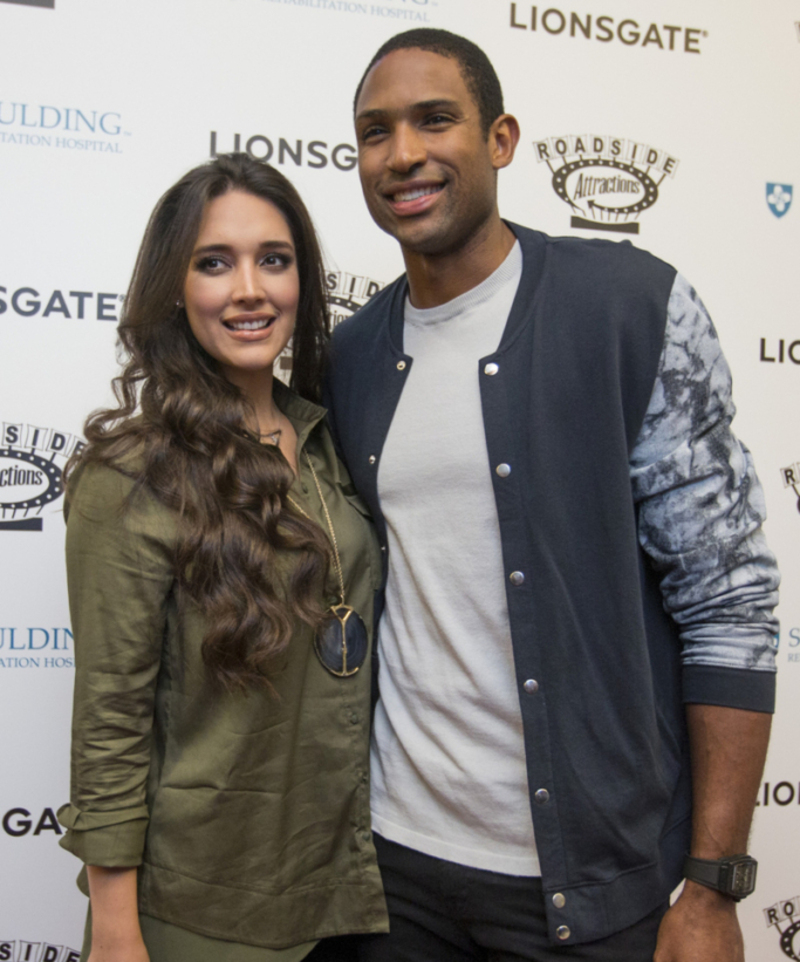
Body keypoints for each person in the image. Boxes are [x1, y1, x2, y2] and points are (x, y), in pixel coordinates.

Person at [324, 28, 780, 962]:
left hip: (593, 888)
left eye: (435, 119)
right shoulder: (352, 354)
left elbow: (730, 601)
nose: (403, 153)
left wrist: (714, 882)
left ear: (501, 139)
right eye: (376, 131)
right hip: (392, 875)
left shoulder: (629, 308)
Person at [58, 153, 387, 962]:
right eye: (215, 263)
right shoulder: (133, 472)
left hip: (343, 887)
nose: (250, 289)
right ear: (176, 286)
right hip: (197, 904)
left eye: (273, 260)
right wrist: (114, 927)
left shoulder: (328, 439)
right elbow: (110, 716)